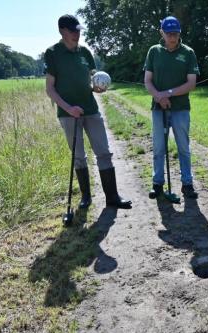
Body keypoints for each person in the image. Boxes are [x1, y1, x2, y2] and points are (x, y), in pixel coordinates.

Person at [44, 14, 132, 210]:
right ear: (62, 31)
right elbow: (50, 89)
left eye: (78, 30)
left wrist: (97, 88)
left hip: (91, 110)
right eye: (72, 31)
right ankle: (86, 197)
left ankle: (112, 197)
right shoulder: (52, 53)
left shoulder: (85, 52)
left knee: (104, 152)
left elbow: (92, 80)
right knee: (79, 156)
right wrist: (69, 108)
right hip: (68, 114)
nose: (77, 34)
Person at [143, 16, 201, 199]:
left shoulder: (188, 53)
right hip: (158, 108)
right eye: (169, 34)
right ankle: (157, 184)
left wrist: (167, 93)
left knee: (183, 147)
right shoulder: (154, 51)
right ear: (162, 33)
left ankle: (187, 184)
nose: (172, 37)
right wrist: (159, 97)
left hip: (181, 108)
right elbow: (147, 81)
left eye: (175, 34)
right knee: (159, 147)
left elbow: (191, 83)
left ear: (179, 34)